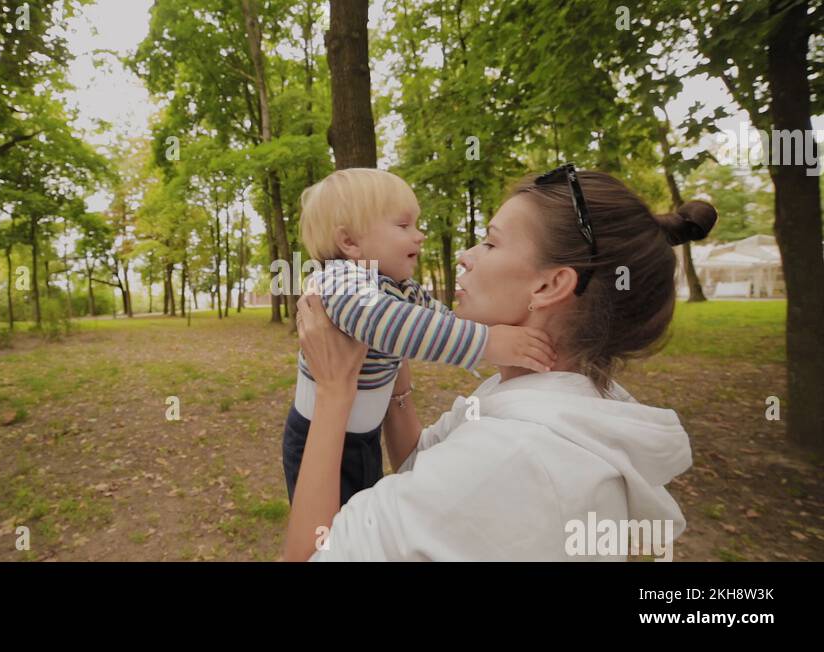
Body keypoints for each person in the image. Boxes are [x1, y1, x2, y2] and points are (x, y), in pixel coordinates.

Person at [283, 165, 717, 561]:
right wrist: (395, 376)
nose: (467, 255)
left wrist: (335, 392)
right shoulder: (542, 399)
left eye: (490, 242)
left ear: (549, 284)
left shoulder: (510, 461)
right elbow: (419, 459)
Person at [283, 168, 556, 507]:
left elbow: (437, 320)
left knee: (358, 517)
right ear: (349, 242)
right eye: (403, 226)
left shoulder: (399, 288)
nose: (420, 235)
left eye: (417, 224)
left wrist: (484, 332)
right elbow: (387, 323)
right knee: (331, 540)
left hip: (363, 436)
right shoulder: (340, 282)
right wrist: (486, 341)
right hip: (317, 437)